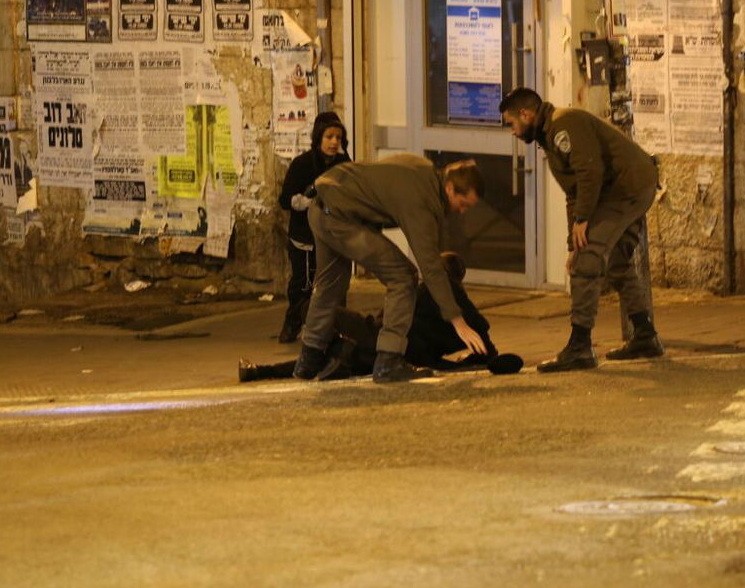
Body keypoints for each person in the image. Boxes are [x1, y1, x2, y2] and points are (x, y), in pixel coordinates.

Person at [499, 87, 662, 371]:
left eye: (511, 123)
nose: (512, 131)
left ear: (525, 114)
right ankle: (645, 335)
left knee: (588, 261)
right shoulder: (550, 135)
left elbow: (590, 172)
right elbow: (573, 193)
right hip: (629, 187)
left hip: (624, 189)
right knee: (616, 263)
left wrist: (583, 223)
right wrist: (571, 244)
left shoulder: (563, 124)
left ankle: (580, 346)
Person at [293, 155, 488, 384]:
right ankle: (389, 360)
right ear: (449, 188)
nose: (462, 211)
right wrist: (458, 321)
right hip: (339, 217)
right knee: (403, 277)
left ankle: (308, 361)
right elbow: (431, 267)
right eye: (463, 204)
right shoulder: (420, 201)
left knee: (329, 285)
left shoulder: (422, 169)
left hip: (320, 205)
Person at [239, 252, 523, 382]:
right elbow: (483, 332)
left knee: (330, 330)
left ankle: (261, 369)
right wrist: (484, 357)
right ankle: (260, 370)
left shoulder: (435, 290)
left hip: (380, 338)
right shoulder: (456, 312)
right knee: (337, 353)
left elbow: (387, 318)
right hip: (394, 351)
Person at [276, 112, 350, 341]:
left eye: (338, 137)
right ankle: (293, 324)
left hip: (335, 236)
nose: (334, 142)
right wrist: (305, 202)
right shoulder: (302, 164)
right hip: (305, 239)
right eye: (329, 136)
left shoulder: (344, 165)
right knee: (302, 285)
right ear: (319, 138)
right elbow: (285, 199)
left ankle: (338, 328)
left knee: (337, 285)